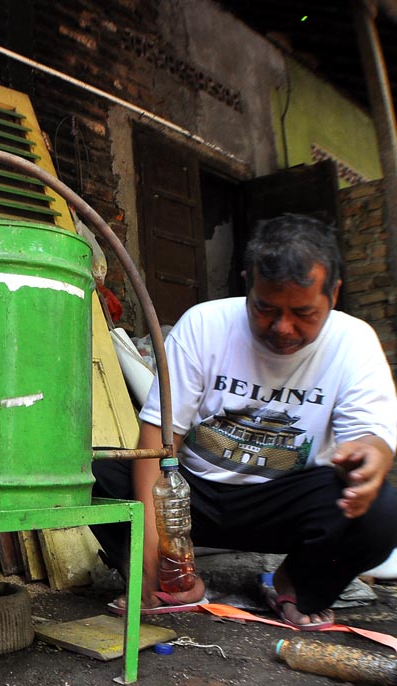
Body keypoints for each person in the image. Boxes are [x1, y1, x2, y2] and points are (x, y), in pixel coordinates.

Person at [92, 213, 397, 630]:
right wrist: (150, 549)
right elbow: (158, 442)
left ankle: (297, 583)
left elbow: (373, 438)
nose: (282, 327)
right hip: (192, 497)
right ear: (246, 283)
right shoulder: (204, 324)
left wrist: (370, 457)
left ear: (334, 294)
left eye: (303, 313)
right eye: (265, 308)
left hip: (285, 505)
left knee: (381, 511)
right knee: (96, 477)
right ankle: (175, 583)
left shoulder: (355, 342)